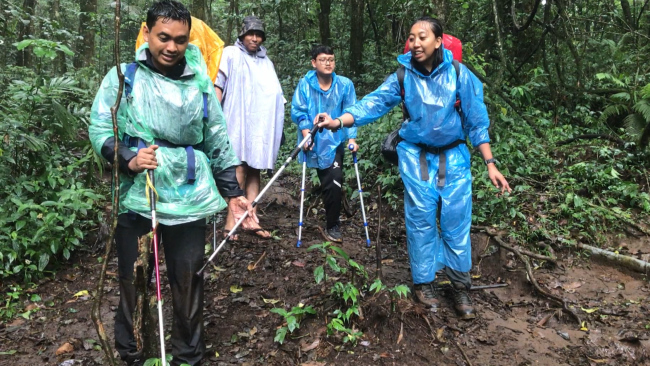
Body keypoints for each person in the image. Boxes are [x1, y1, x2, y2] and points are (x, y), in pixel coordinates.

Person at [88, 2, 259, 365]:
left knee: (188, 282)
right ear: (147, 33)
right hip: (139, 196)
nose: (171, 47)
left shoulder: (199, 81)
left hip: (189, 196)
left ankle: (188, 357)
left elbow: (217, 140)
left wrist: (233, 195)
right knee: (133, 280)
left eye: (180, 40)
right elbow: (101, 127)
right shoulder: (124, 77)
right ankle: (132, 353)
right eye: (163, 37)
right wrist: (128, 157)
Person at [316, 16, 511, 320]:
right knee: (420, 219)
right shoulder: (403, 76)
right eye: (411, 37)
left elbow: (476, 120)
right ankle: (425, 283)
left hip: (454, 157)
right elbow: (373, 104)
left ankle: (460, 284)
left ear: (437, 41)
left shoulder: (461, 75)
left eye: (422, 37)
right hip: (416, 156)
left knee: (456, 219)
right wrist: (339, 120)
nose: (415, 43)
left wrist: (490, 163)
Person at [215, 16, 285, 240]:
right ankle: (230, 222)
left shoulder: (266, 62)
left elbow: (276, 95)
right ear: (242, 35)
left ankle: (251, 219)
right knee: (238, 168)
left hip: (260, 123)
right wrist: (214, 118)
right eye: (250, 34)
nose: (255, 39)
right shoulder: (230, 54)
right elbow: (219, 84)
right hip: (236, 118)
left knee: (255, 168)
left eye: (259, 35)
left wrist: (277, 126)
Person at [290, 45, 358, 242]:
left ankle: (333, 224)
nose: (328, 63)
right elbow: (299, 111)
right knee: (326, 180)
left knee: (334, 179)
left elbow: (351, 112)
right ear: (314, 63)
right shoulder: (305, 84)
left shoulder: (345, 85)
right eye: (323, 59)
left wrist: (352, 139)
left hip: (335, 139)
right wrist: (306, 134)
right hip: (311, 138)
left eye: (331, 59)